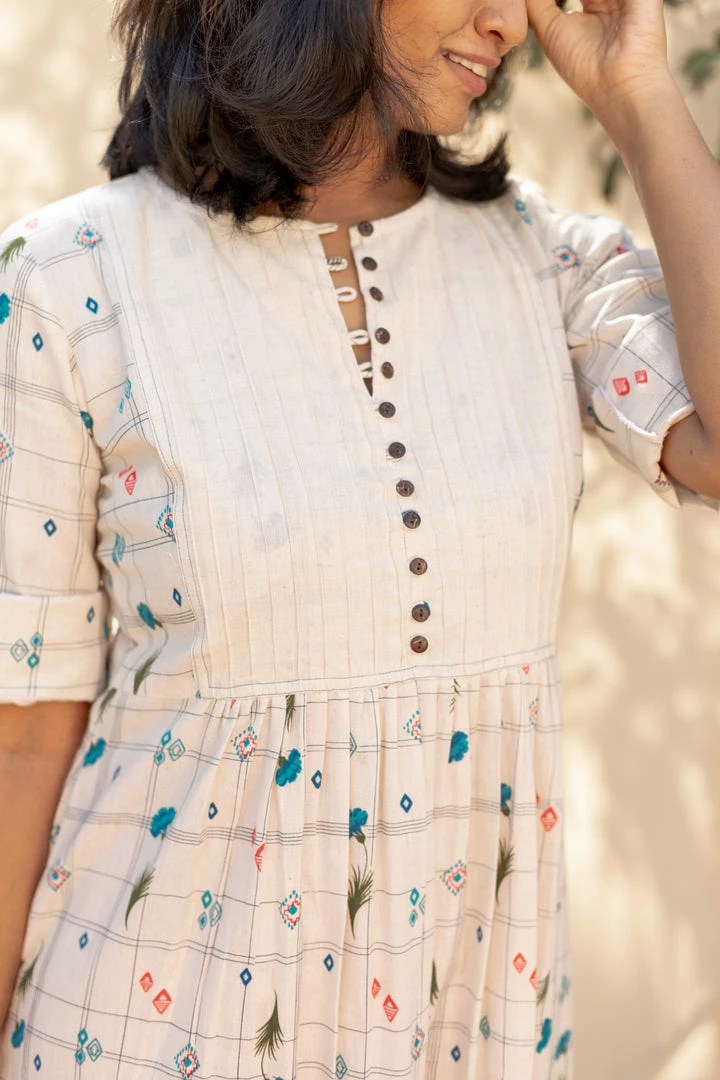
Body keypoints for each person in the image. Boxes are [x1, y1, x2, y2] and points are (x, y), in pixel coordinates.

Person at [1, 0, 719, 1075]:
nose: (509, 22)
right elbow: (22, 738)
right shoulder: (70, 277)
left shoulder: (542, 263)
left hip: (466, 1029)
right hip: (142, 1031)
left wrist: (642, 95)